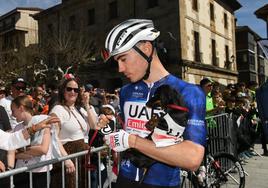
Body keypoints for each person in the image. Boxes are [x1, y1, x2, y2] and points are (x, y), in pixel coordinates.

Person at [100, 19, 206, 187]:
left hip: (161, 183)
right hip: (125, 179)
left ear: (146, 49)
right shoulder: (126, 92)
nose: (119, 68)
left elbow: (192, 158)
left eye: (123, 59)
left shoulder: (189, 92)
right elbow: (127, 132)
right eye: (116, 62)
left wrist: (132, 141)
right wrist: (110, 126)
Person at [50, 77, 97, 188]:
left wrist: (86, 104)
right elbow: (54, 138)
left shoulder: (78, 109)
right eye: (69, 89)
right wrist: (66, 159)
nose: (73, 92)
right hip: (67, 159)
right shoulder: (57, 110)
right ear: (63, 91)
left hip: (81, 159)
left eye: (76, 90)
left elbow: (94, 126)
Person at [256, 79, 268, 156]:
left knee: (264, 132)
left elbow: (259, 104)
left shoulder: (259, 89)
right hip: (264, 114)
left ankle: (265, 150)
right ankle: (265, 150)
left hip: (263, 114)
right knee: (264, 132)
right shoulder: (260, 90)